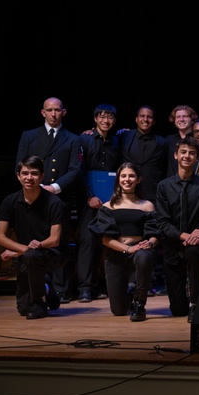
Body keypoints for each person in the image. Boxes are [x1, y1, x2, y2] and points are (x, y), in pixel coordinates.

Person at [16, 96, 81, 302]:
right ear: (43, 112)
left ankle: (60, 290)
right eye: (49, 110)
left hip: (58, 198)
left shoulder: (72, 138)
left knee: (58, 243)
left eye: (57, 110)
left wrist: (53, 187)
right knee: (32, 242)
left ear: (64, 112)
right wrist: (35, 186)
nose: (53, 114)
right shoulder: (29, 136)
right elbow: (19, 166)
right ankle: (32, 289)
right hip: (33, 198)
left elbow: (74, 169)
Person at [0, 156, 66, 320]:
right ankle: (46, 288)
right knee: (23, 309)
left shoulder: (54, 202)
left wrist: (20, 252)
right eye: (25, 173)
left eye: (34, 174)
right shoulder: (10, 201)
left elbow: (54, 239)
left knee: (32, 256)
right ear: (18, 176)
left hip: (52, 253)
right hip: (27, 255)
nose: (29, 178)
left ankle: (40, 303)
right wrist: (23, 251)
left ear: (42, 176)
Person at [87, 162, 160, 321]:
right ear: (118, 179)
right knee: (119, 311)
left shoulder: (147, 206)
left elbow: (155, 234)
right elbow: (106, 239)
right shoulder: (108, 206)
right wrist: (128, 249)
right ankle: (129, 292)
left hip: (139, 250)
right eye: (124, 176)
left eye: (132, 176)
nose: (127, 179)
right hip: (116, 253)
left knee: (144, 256)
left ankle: (140, 304)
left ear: (139, 179)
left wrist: (150, 243)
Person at [154, 136, 199, 321]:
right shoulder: (164, 186)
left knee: (193, 251)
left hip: (197, 245)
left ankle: (196, 303)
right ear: (175, 155)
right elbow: (163, 223)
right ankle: (186, 303)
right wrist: (185, 236)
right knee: (177, 309)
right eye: (183, 152)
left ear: (196, 158)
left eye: (192, 153)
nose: (187, 156)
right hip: (173, 246)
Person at [70, 103, 122, 303]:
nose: (105, 120)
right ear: (95, 119)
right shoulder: (82, 139)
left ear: (114, 121)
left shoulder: (118, 140)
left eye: (109, 117)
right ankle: (85, 288)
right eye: (101, 117)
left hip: (111, 202)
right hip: (88, 200)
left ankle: (106, 285)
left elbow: (119, 171)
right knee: (88, 243)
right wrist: (89, 196)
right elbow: (80, 172)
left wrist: (115, 197)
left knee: (110, 243)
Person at [118, 105, 170, 203]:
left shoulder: (163, 142)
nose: (145, 119)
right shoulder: (123, 137)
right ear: (136, 119)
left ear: (154, 121)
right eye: (142, 116)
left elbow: (166, 167)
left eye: (149, 117)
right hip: (126, 195)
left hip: (153, 196)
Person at [165, 105, 198, 177]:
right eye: (178, 117)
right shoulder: (168, 140)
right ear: (174, 120)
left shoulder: (198, 140)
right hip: (172, 185)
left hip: (194, 184)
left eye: (185, 116)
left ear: (192, 119)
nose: (181, 119)